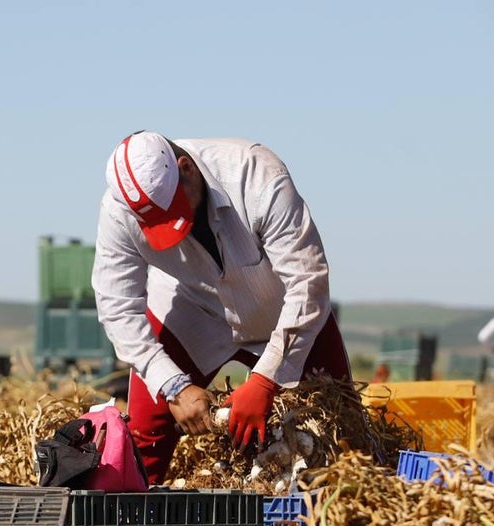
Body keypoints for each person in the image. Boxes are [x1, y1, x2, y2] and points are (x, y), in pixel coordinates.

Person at [93, 131, 352, 485]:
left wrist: (265, 380)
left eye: (173, 213)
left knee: (343, 427)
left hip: (280, 312)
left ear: (186, 168)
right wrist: (173, 386)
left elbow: (308, 283)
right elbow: (117, 306)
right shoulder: (119, 211)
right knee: (143, 443)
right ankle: (133, 518)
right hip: (191, 312)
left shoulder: (255, 175)